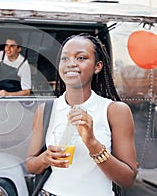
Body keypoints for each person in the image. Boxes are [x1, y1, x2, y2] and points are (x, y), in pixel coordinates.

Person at [26, 33, 138, 196]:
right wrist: (45, 158)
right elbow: (30, 165)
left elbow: (127, 179)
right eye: (65, 58)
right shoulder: (45, 110)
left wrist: (92, 143)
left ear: (97, 67)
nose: (71, 63)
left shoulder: (114, 111)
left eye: (81, 58)